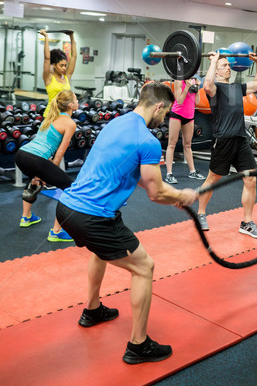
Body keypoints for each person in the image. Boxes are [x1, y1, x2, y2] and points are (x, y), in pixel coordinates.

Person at [56, 81, 198, 365]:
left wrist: (171, 196)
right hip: (93, 216)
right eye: (167, 111)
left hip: (66, 208)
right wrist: (181, 194)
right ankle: (139, 345)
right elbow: (156, 192)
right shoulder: (147, 141)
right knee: (144, 267)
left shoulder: (115, 124)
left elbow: (140, 178)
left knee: (101, 250)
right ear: (159, 106)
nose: (166, 117)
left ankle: (93, 310)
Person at [197, 51, 257, 238]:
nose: (228, 68)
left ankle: (247, 222)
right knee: (212, 179)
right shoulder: (215, 90)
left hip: (241, 139)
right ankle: (201, 213)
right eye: (224, 66)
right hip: (223, 141)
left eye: (228, 65)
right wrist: (212, 62)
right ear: (217, 71)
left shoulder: (237, 88)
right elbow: (207, 85)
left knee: (251, 179)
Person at [16, 89, 79, 242]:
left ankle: (26, 217)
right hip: (36, 158)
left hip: (21, 155)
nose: (78, 102)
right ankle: (56, 232)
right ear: (71, 105)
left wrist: (42, 174)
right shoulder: (70, 123)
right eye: (76, 99)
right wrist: (49, 171)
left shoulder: (50, 117)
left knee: (34, 181)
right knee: (71, 189)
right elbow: (60, 152)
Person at [164, 76, 205, 184]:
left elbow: (197, 102)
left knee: (187, 145)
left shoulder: (193, 81)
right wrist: (187, 86)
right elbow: (179, 100)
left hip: (189, 116)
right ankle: (169, 174)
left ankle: (192, 171)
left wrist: (197, 87)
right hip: (177, 114)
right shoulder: (179, 81)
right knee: (172, 144)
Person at [39, 28, 77, 117]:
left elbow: (74, 56)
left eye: (65, 65)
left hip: (65, 115)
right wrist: (46, 37)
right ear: (54, 65)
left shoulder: (67, 76)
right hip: (51, 115)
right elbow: (47, 59)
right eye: (61, 65)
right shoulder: (48, 78)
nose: (64, 68)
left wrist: (71, 36)